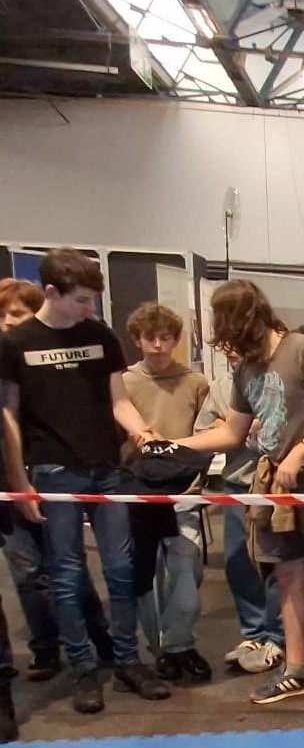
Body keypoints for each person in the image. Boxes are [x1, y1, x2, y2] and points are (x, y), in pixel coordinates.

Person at [176, 281, 304, 713]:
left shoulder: (303, 350)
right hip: (277, 485)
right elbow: (232, 433)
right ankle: (296, 669)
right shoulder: (247, 369)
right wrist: (173, 445)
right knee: (288, 576)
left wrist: (303, 450)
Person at [0, 248, 167, 712]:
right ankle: (82, 668)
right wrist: (20, 481)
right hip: (53, 471)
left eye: (92, 300)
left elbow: (119, 401)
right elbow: (8, 416)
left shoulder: (100, 336)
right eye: (79, 300)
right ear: (51, 292)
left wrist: (145, 435)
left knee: (121, 568)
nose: (87, 309)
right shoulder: (16, 343)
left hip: (108, 470)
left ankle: (127, 659)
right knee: (67, 574)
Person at [0, 278, 108, 681]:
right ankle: (46, 647)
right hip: (12, 483)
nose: (9, 322)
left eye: (17, 314)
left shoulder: (47, 363)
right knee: (27, 570)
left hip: (50, 473)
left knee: (69, 565)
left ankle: (99, 638)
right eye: (4, 315)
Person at [122, 302, 212, 683]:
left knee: (186, 568)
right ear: (137, 340)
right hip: (137, 489)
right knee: (144, 572)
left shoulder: (196, 383)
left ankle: (177, 642)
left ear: (177, 339)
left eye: (166, 337)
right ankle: (161, 648)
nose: (158, 345)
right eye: (150, 337)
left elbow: (209, 431)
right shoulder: (124, 383)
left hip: (183, 488)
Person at [196, 354, 284, 674]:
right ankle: (253, 633)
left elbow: (281, 429)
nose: (234, 352)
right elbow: (206, 431)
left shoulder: (279, 379)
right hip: (236, 485)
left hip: (274, 485)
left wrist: (235, 427)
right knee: (238, 564)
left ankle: (278, 637)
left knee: (277, 564)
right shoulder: (221, 387)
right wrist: (234, 428)